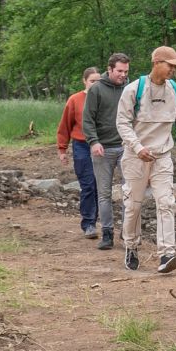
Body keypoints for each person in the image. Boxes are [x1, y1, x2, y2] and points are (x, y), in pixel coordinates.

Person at [114, 46, 176, 273]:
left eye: (174, 66)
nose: (172, 70)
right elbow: (122, 123)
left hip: (162, 155)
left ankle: (166, 254)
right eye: (169, 65)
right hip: (135, 156)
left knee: (166, 202)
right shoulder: (134, 90)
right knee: (133, 205)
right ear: (156, 62)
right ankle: (131, 245)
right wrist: (137, 147)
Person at [81, 53, 131, 250]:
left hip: (127, 147)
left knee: (131, 192)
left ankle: (128, 232)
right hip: (103, 147)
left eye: (126, 71)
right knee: (104, 193)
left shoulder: (130, 88)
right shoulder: (97, 89)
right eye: (119, 71)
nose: (122, 75)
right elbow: (88, 119)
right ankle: (107, 233)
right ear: (109, 69)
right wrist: (93, 142)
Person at [57, 67, 102, 239]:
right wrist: (62, 149)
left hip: (101, 145)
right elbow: (65, 126)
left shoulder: (103, 98)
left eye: (98, 81)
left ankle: (103, 222)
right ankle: (89, 223)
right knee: (88, 184)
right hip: (82, 145)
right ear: (85, 81)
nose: (95, 84)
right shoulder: (75, 100)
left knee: (100, 186)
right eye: (92, 81)